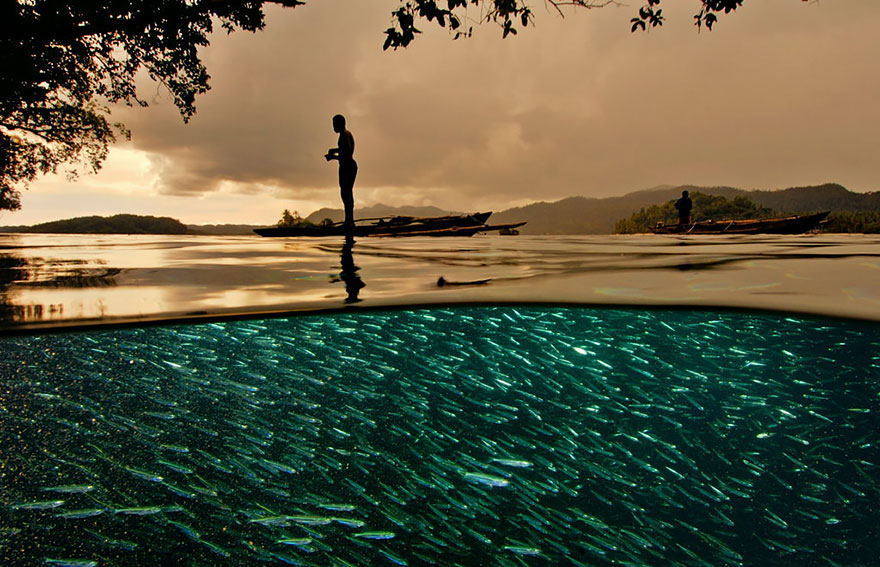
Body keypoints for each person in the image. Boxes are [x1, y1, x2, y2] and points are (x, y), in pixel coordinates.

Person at [325, 114, 357, 231]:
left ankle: (349, 222)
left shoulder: (344, 135)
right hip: (348, 166)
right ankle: (349, 221)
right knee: (346, 194)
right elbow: (343, 150)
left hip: (347, 166)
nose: (333, 126)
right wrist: (333, 151)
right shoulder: (345, 134)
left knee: (346, 194)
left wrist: (332, 157)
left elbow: (346, 154)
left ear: (340, 124)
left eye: (334, 124)